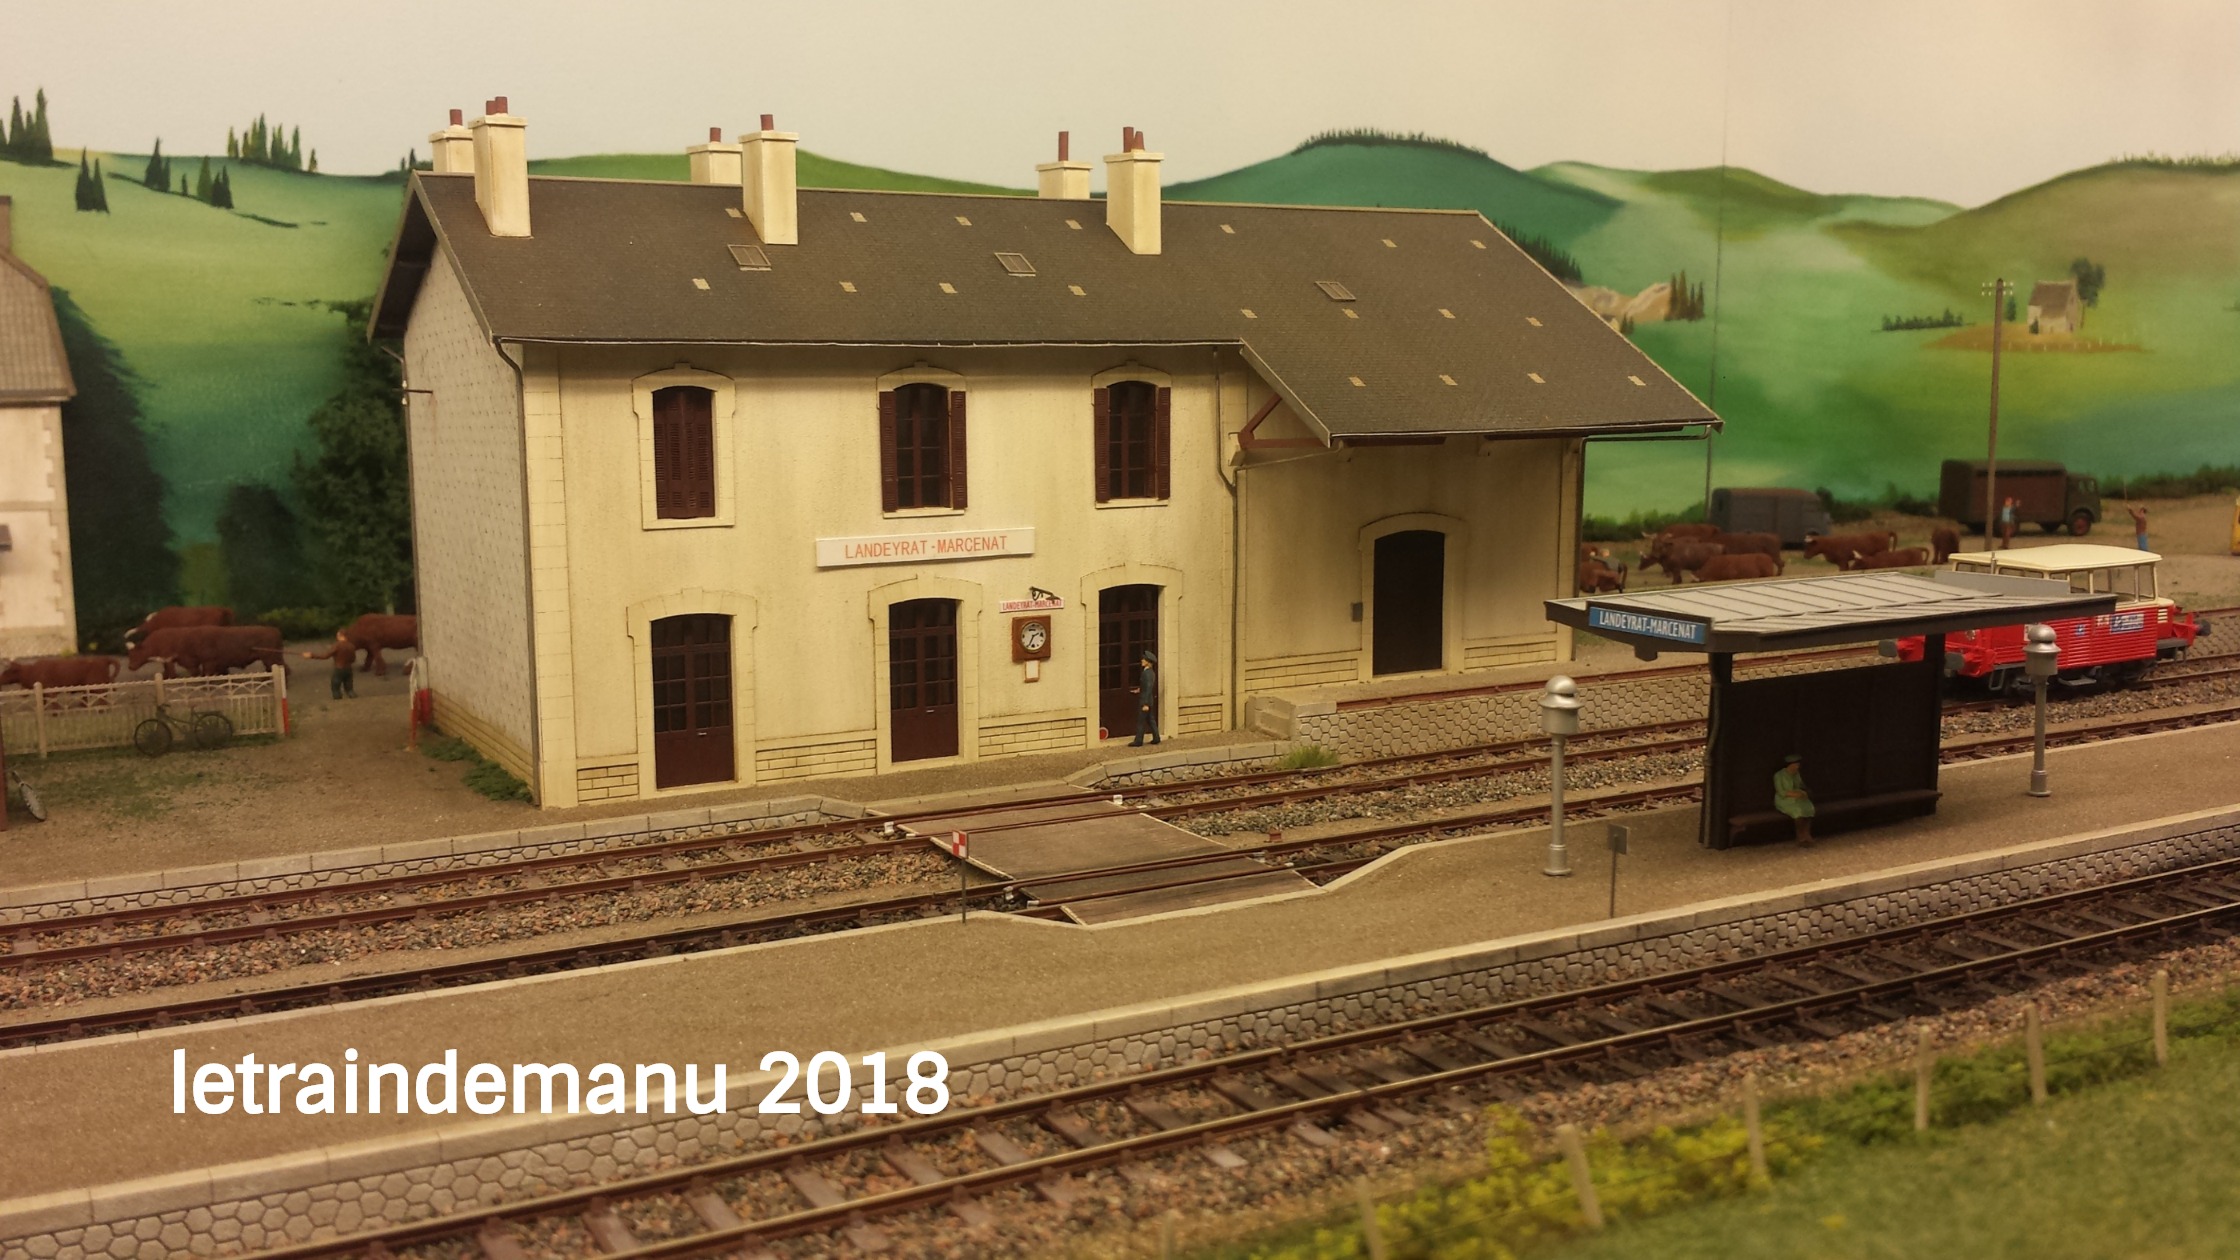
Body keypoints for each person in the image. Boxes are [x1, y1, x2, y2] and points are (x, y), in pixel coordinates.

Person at [299, 630, 358, 700]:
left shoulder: (337, 645)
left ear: (340, 635)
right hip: (349, 669)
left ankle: (338, 698)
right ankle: (352, 695)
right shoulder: (351, 646)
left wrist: (312, 655)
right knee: (349, 686)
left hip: (339, 668)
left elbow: (325, 656)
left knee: (335, 685)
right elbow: (353, 659)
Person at [1773, 753, 1815, 845]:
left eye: (1798, 765)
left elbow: (1800, 785)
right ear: (1790, 765)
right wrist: (1795, 794)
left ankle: (1806, 833)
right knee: (1798, 811)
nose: (1797, 767)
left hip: (1798, 797)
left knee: (1809, 808)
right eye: (1796, 765)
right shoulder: (1779, 775)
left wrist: (1804, 792)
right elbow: (1781, 792)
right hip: (1785, 800)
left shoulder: (1796, 774)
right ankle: (1800, 835)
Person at [1128, 649, 1161, 746]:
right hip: (1149, 700)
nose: (1142, 661)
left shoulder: (1147, 673)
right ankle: (1156, 737)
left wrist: (1145, 703)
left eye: (1144, 659)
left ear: (1148, 662)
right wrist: (1139, 690)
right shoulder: (1149, 672)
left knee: (1141, 721)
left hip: (1145, 701)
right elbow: (1146, 687)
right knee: (1151, 720)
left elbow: (1149, 688)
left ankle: (1138, 740)